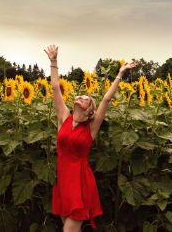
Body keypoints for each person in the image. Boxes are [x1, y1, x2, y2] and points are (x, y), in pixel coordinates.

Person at [44, 44, 139, 232]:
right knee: (70, 228)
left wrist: (120, 73)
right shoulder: (63, 116)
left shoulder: (91, 127)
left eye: (86, 98)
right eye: (78, 96)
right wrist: (54, 61)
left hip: (80, 182)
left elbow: (106, 99)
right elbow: (55, 87)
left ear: (90, 109)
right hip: (63, 179)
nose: (80, 97)